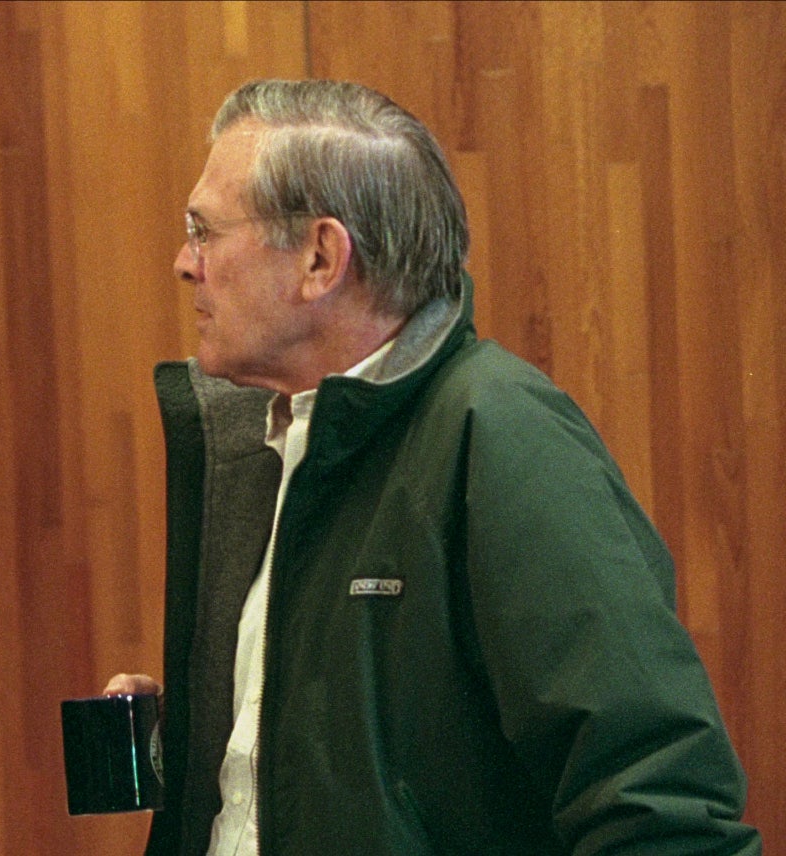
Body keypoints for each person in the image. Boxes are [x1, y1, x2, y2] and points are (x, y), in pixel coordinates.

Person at [105, 79, 759, 854]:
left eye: (204, 230)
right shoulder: (277, 443)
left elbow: (656, 802)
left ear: (320, 258)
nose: (186, 263)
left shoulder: (504, 434)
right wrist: (216, 726)